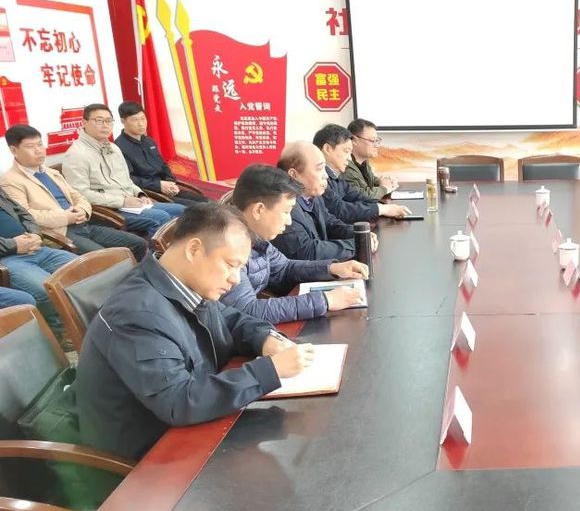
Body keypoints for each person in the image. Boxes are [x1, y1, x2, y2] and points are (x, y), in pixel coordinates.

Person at [76, 203, 316, 461]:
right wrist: (270, 371)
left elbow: (230, 319)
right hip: (154, 455)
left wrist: (266, 339)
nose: (236, 279)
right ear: (194, 250)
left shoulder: (183, 284)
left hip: (196, 422)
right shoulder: (137, 313)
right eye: (230, 264)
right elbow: (178, 402)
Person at [222, 164, 367, 324]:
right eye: (286, 212)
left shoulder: (256, 237)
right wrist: (326, 300)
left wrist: (332, 268)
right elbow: (249, 310)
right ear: (259, 210)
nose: (289, 221)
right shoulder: (227, 246)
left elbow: (284, 268)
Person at [2, 124, 147, 260]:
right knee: (109, 259)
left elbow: (78, 196)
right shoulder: (10, 180)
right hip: (59, 233)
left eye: (40, 144)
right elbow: (26, 216)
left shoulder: (51, 172)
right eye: (30, 146)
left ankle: (138, 276)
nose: (38, 150)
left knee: (138, 243)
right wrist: (66, 217)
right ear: (14, 150)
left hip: (83, 224)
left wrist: (82, 210)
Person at [62, 103, 184, 235]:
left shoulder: (113, 148)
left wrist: (140, 194)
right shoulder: (76, 154)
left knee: (182, 211)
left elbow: (127, 181)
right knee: (161, 217)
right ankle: (159, 248)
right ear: (84, 123)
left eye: (109, 121)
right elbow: (81, 194)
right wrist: (122, 202)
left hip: (132, 202)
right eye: (99, 121)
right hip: (109, 210)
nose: (105, 125)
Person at [0, 188, 76, 338]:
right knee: (47, 289)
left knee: (86, 271)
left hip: (35, 248)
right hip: (6, 258)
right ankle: (59, 335)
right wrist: (14, 245)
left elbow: (23, 213)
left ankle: (91, 321)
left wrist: (35, 233)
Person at [272, 142, 359, 262]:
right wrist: (358, 245)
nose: (326, 176)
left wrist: (360, 234)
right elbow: (308, 252)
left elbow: (330, 224)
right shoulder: (286, 207)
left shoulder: (312, 195)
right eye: (319, 169)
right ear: (293, 175)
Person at [114, 101, 210, 205]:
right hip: (148, 193)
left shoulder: (149, 141)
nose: (141, 124)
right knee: (200, 208)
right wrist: (159, 185)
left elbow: (163, 166)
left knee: (209, 202)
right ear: (123, 121)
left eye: (143, 118)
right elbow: (129, 179)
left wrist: (170, 181)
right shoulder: (118, 147)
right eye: (135, 120)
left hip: (166, 187)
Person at [312, 124, 410, 223]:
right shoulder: (318, 179)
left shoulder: (335, 176)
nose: (349, 158)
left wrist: (385, 207)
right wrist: (381, 209)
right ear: (327, 149)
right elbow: (339, 209)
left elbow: (357, 196)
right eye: (346, 151)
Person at [345, 118, 399, 200]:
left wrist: (387, 182)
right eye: (373, 140)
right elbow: (361, 196)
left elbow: (370, 182)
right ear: (354, 140)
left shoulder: (364, 162)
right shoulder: (344, 165)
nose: (377, 145)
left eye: (377, 140)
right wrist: (385, 188)